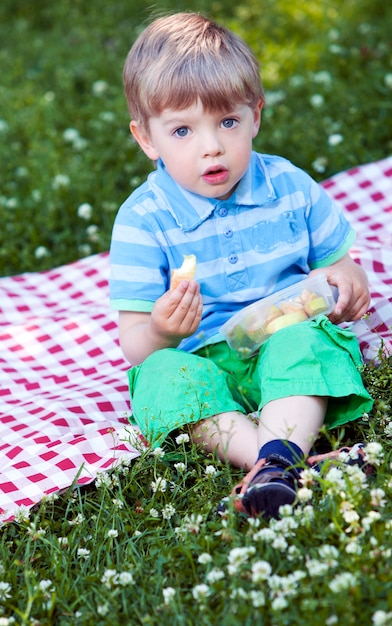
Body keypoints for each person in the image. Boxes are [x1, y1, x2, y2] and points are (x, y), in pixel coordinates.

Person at [109, 12, 373, 519]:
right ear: (146, 139)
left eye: (227, 122)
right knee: (162, 377)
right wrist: (163, 330)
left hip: (282, 338)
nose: (211, 146)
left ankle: (277, 464)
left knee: (308, 341)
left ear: (255, 115)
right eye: (182, 130)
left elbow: (344, 267)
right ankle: (282, 462)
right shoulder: (144, 222)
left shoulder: (289, 187)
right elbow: (135, 345)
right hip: (203, 361)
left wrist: (345, 286)